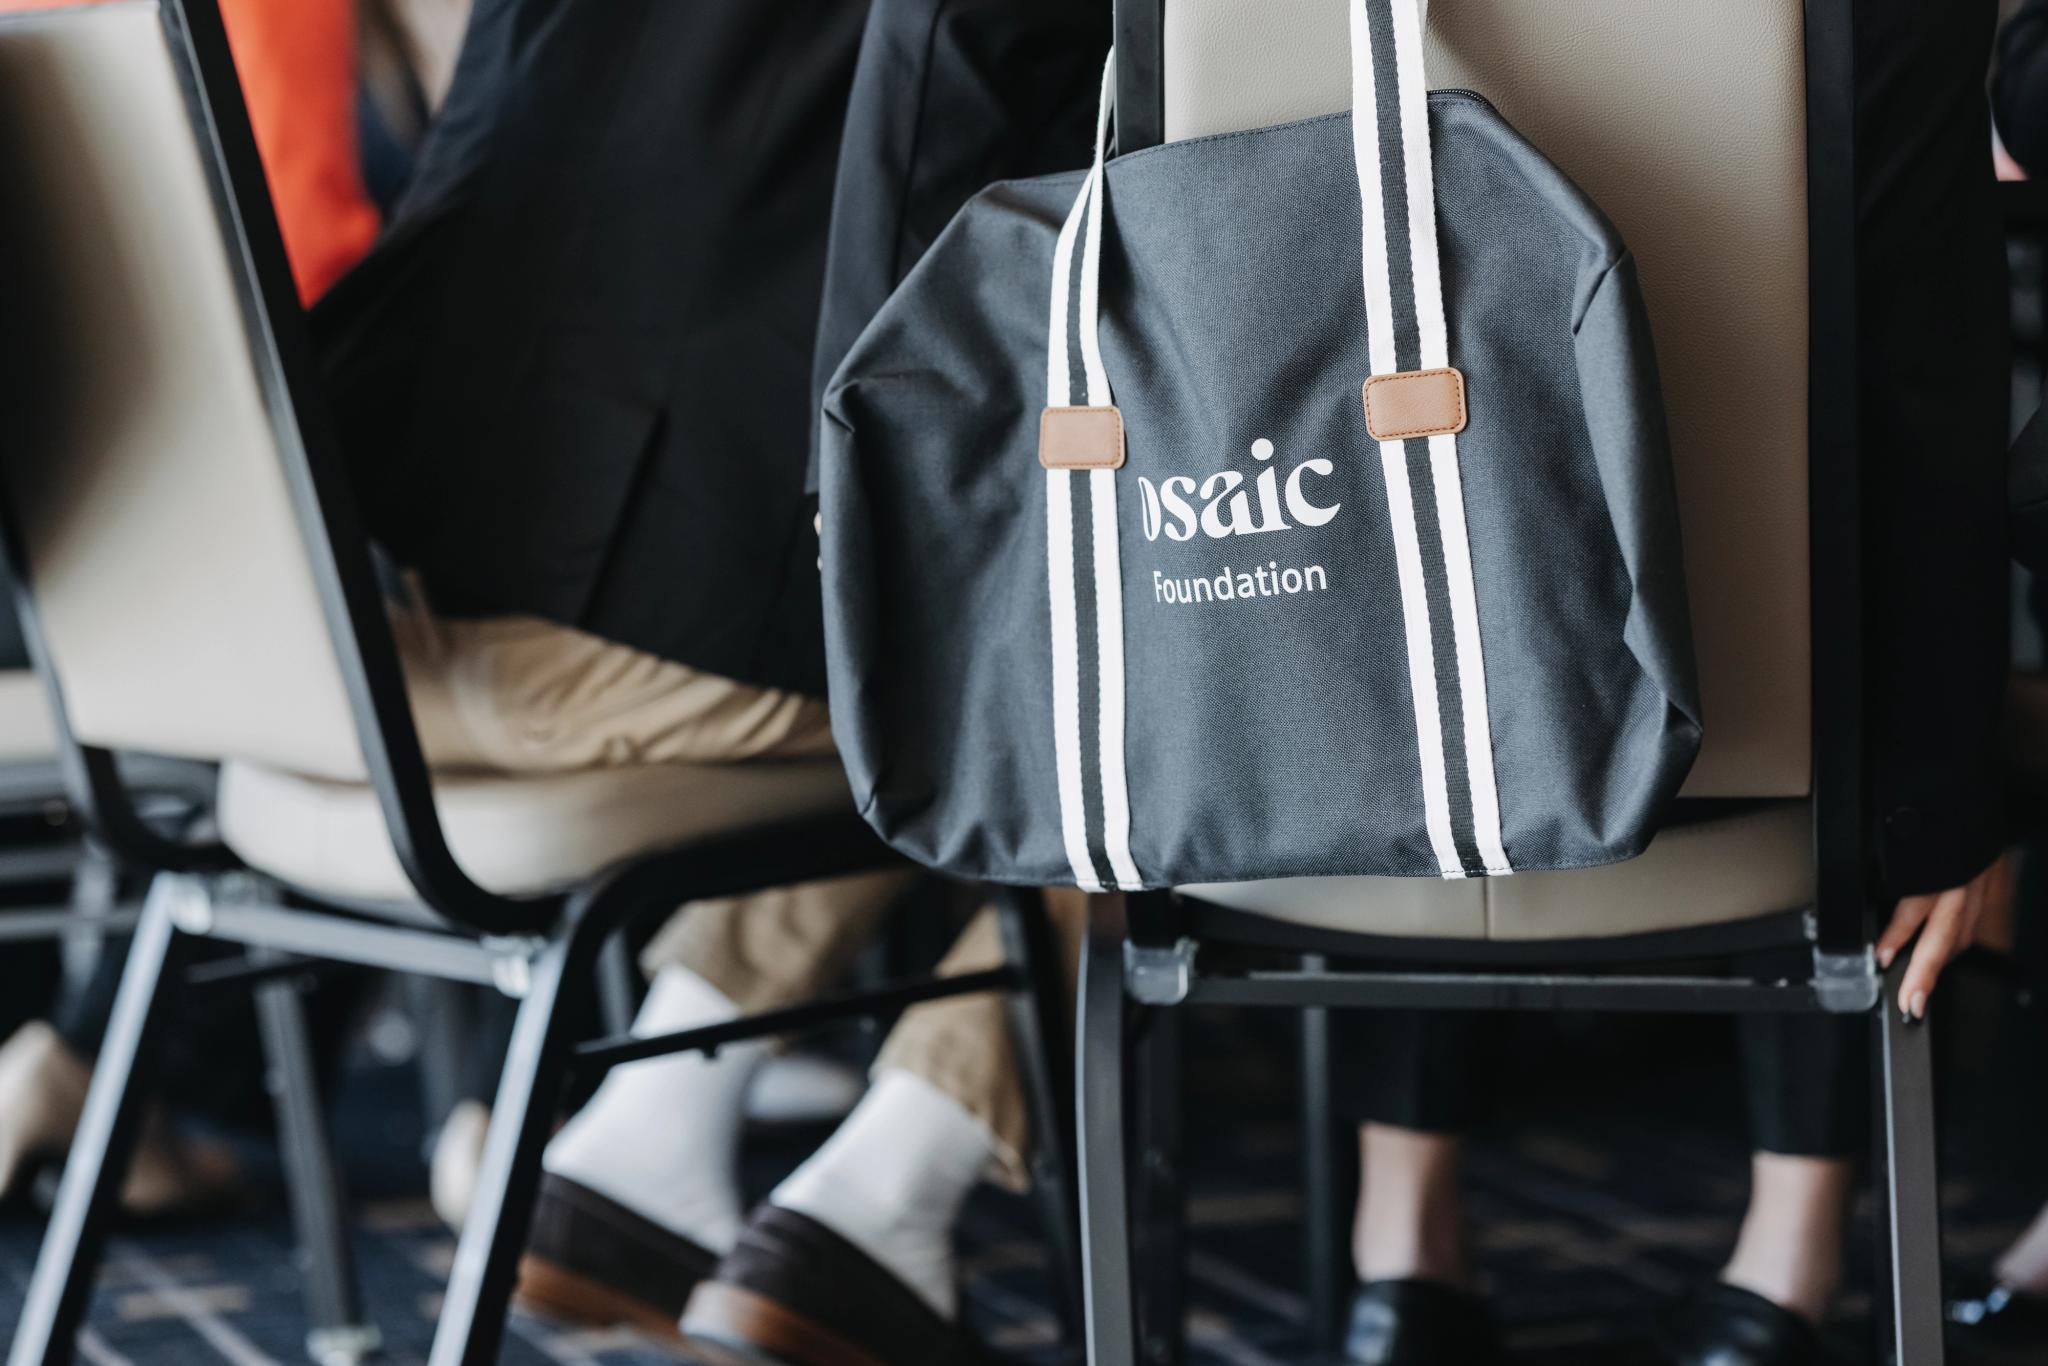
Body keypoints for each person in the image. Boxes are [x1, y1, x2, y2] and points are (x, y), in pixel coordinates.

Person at [309, 1, 1110, 1360]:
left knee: (1013, 629)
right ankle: (891, 1187)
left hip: (381, 629)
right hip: (637, 631)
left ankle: (657, 1125)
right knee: (1203, 647)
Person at [1343, 0, 2013, 1362]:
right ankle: (1782, 1272)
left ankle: (1399, 1254)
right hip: (1786, 775)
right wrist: (1949, 796)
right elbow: (1924, 398)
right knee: (1830, 534)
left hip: (1389, 759)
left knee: (1429, 538)